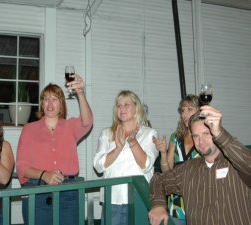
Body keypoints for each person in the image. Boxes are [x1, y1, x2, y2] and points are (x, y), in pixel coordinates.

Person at [148, 105, 251, 225]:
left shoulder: (236, 164)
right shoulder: (188, 169)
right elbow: (158, 180)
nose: (200, 141)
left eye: (206, 134)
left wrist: (221, 134)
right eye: (196, 136)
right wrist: (158, 204)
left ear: (216, 132)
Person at [16, 74, 93, 225]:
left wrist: (80, 93)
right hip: (36, 193)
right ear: (42, 104)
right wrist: (44, 175)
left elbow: (87, 122)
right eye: (46, 99)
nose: (50, 103)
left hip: (68, 193)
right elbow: (22, 166)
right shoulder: (29, 129)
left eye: (55, 99)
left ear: (61, 104)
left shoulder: (70, 126)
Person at [94, 90, 159, 225]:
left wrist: (133, 142)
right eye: (119, 105)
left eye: (126, 104)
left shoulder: (149, 133)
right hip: (112, 200)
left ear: (137, 108)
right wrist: (118, 148)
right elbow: (98, 166)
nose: (122, 108)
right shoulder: (107, 134)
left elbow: (146, 164)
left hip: (139, 199)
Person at [152, 94, 200, 225]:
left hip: (199, 202)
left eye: (190, 109)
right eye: (183, 110)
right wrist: (162, 152)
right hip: (177, 205)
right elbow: (167, 171)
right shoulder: (176, 137)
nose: (185, 114)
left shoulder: (205, 137)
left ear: (200, 111)